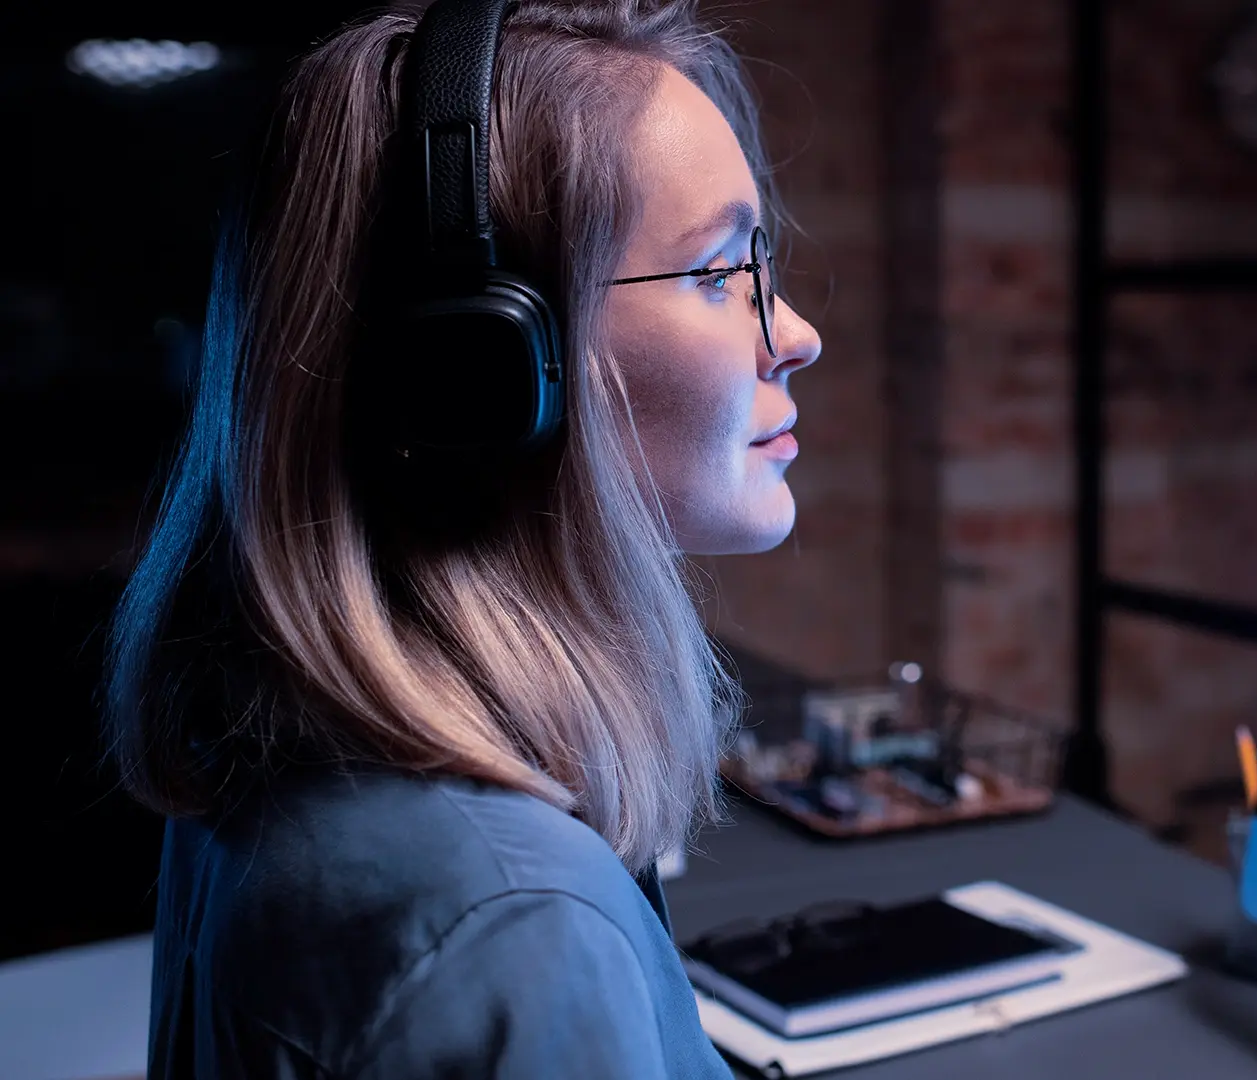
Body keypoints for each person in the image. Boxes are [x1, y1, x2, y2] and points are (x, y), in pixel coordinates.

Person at [103, 0, 821, 1075]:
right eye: (719, 272)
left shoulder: (288, 738)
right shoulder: (514, 921)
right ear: (482, 365)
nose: (797, 337)